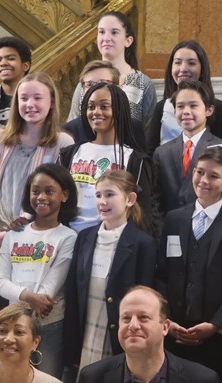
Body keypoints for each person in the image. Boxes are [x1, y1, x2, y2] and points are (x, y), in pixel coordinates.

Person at [0, 72, 74, 365]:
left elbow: (55, 192)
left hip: (39, 242)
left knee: (37, 325)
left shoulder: (63, 142)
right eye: (24, 98)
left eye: (37, 98)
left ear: (51, 103)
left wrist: (16, 233)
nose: (30, 104)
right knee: (3, 322)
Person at [156, 146, 222, 383]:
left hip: (217, 336)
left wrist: (216, 324)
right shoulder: (174, 219)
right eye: (200, 172)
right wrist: (167, 319)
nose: (204, 180)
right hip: (175, 331)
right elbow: (162, 273)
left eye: (213, 176)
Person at [72, 286, 222, 383]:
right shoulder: (92, 379)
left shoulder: (202, 382)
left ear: (165, 327)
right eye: (125, 318)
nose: (133, 325)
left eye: (143, 317)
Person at [63, 170, 156, 377]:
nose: (102, 201)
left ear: (130, 199)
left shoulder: (143, 244)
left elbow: (144, 297)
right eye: (98, 195)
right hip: (86, 329)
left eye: (110, 195)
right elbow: (73, 292)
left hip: (117, 333)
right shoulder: (85, 238)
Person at [0, 164, 78, 379]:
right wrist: (30, 297)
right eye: (35, 191)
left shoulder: (68, 237)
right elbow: (0, 282)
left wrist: (34, 302)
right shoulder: (13, 234)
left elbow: (51, 286)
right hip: (14, 325)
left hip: (49, 326)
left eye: (49, 191)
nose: (41, 197)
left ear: (64, 195)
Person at [59, 83, 156, 235]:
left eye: (104, 107)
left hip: (112, 239)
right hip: (69, 237)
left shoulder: (136, 160)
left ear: (119, 111)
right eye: (91, 107)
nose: (96, 112)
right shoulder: (69, 154)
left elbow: (143, 212)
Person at [153, 80, 222, 218]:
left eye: (193, 106)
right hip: (171, 229)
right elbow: (156, 199)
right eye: (180, 106)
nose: (186, 111)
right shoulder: (162, 152)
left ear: (209, 110)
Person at [67, 11, 156, 137]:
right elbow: (72, 128)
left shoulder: (142, 83)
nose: (106, 38)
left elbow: (148, 133)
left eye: (114, 32)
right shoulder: (86, 82)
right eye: (101, 32)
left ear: (128, 41)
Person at [148, 40, 222, 150]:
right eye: (177, 62)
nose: (183, 69)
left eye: (191, 63)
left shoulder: (217, 107)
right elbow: (150, 152)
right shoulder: (161, 107)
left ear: (202, 69)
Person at [61, 60, 148, 152]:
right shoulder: (70, 130)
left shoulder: (133, 127)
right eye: (89, 84)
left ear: (117, 87)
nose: (96, 88)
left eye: (103, 83)